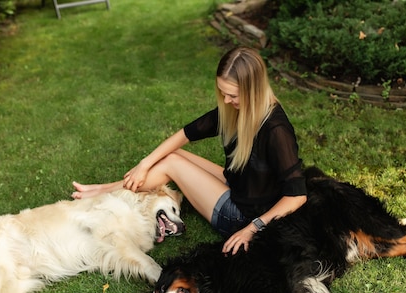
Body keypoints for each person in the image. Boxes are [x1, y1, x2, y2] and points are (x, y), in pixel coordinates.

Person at [72, 47, 307, 255]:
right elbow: (186, 134)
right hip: (237, 185)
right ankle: (105, 189)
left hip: (241, 216)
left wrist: (252, 228)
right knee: (170, 155)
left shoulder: (276, 130)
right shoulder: (239, 109)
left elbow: (297, 195)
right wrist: (145, 163)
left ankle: (104, 192)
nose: (225, 100)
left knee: (171, 163)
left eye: (232, 95)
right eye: (222, 92)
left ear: (253, 90)